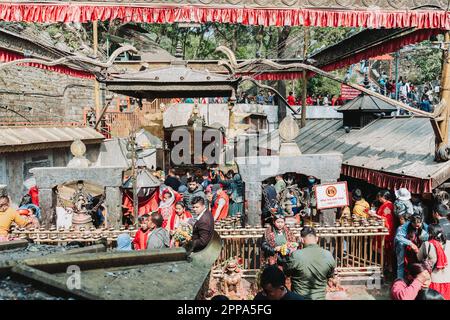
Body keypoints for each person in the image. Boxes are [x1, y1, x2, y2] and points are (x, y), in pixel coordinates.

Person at [285, 227, 335, 300]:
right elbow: (330, 275)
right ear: (317, 239)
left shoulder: (296, 255)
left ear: (301, 239)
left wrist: (290, 255)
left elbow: (287, 272)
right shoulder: (328, 255)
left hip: (299, 297)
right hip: (320, 297)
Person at [417, 223, 450, 299]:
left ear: (430, 233)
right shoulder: (449, 243)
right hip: (448, 280)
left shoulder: (426, 244)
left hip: (434, 281)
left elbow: (419, 257)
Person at [395, 214, 429, 279]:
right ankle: (400, 280)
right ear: (411, 222)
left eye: (418, 225)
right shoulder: (406, 226)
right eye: (415, 225)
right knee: (401, 263)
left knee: (423, 262)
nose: (416, 227)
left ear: (421, 222)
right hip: (405, 246)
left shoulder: (425, 226)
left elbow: (429, 237)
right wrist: (411, 244)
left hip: (421, 246)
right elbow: (398, 237)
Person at [372, 190, 395, 272]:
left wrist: (375, 215)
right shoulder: (386, 205)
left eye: (379, 197)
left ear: (383, 197)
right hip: (383, 228)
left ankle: (387, 267)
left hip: (386, 230)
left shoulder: (388, 205)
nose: (378, 199)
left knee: (386, 250)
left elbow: (386, 218)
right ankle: (386, 266)